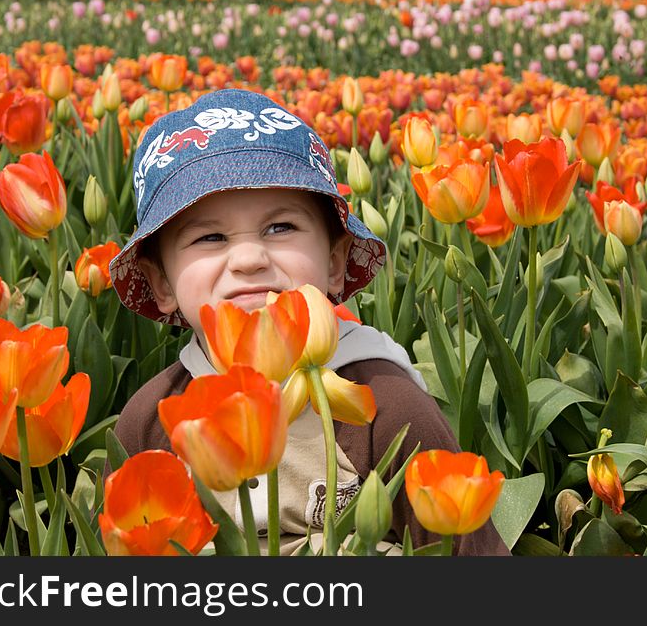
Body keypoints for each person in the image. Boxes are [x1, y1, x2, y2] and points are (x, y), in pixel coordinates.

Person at [108, 88, 509, 556]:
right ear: (162, 283)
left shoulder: (389, 409)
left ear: (335, 262)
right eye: (210, 236)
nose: (249, 258)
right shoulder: (151, 422)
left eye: (280, 228)